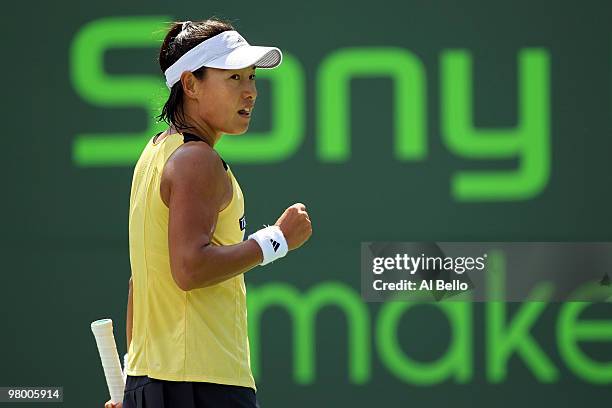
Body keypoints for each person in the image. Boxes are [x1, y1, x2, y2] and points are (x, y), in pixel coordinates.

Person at [104, 18, 312, 408]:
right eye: (233, 78)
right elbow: (189, 268)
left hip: (160, 382)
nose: (250, 92)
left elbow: (143, 279)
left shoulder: (154, 154)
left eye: (251, 78)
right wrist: (276, 241)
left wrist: (138, 383)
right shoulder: (196, 160)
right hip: (201, 387)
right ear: (190, 84)